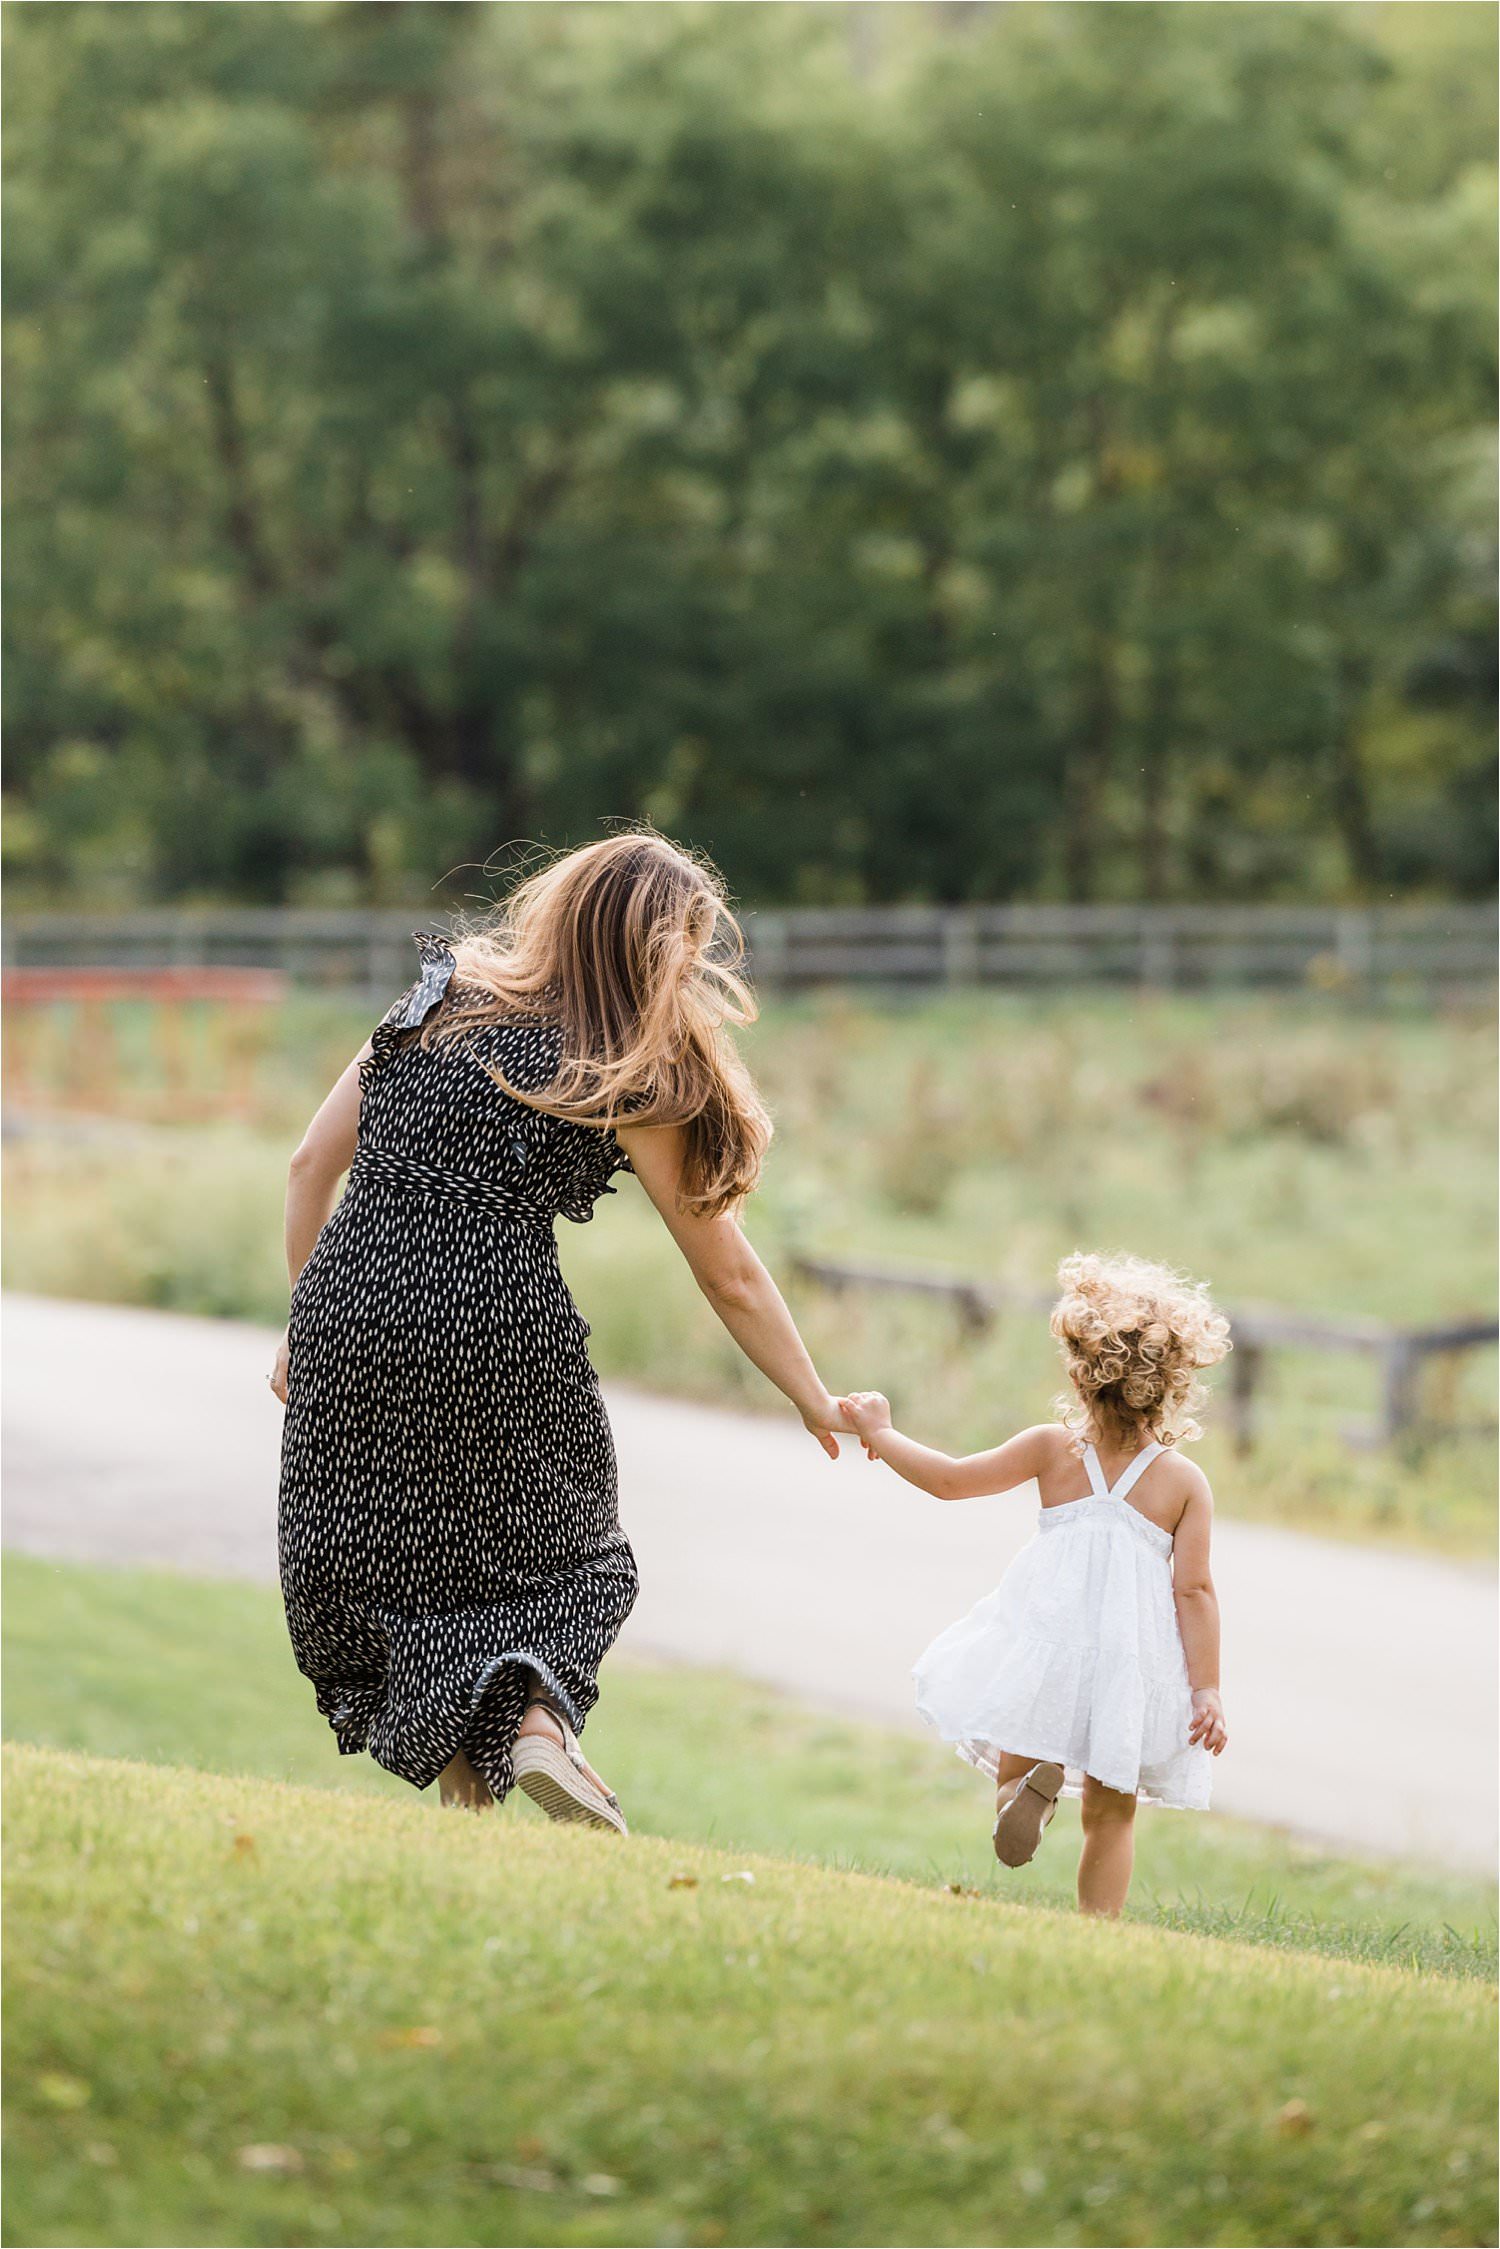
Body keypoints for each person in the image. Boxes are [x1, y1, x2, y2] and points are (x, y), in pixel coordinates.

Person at [271, 831, 850, 1832]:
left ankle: (476, 1815)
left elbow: (306, 1164)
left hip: (349, 1297)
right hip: (495, 1313)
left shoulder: (431, 999)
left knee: (400, 1571)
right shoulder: (618, 1061)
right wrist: (812, 1393)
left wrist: (309, 1315)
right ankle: (537, 1721)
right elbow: (731, 1272)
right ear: (664, 950)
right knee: (572, 1559)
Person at [838, 1252, 1231, 1916]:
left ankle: (1026, 1797)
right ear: (1172, 1383)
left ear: (1081, 1374)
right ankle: (1096, 1927)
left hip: (1046, 1641)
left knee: (1015, 1768)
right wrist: (1207, 1688)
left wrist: (880, 1433)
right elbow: (1194, 1592)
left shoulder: (1054, 1449)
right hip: (1125, 1664)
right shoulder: (1183, 1482)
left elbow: (950, 1480)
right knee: (1112, 1813)